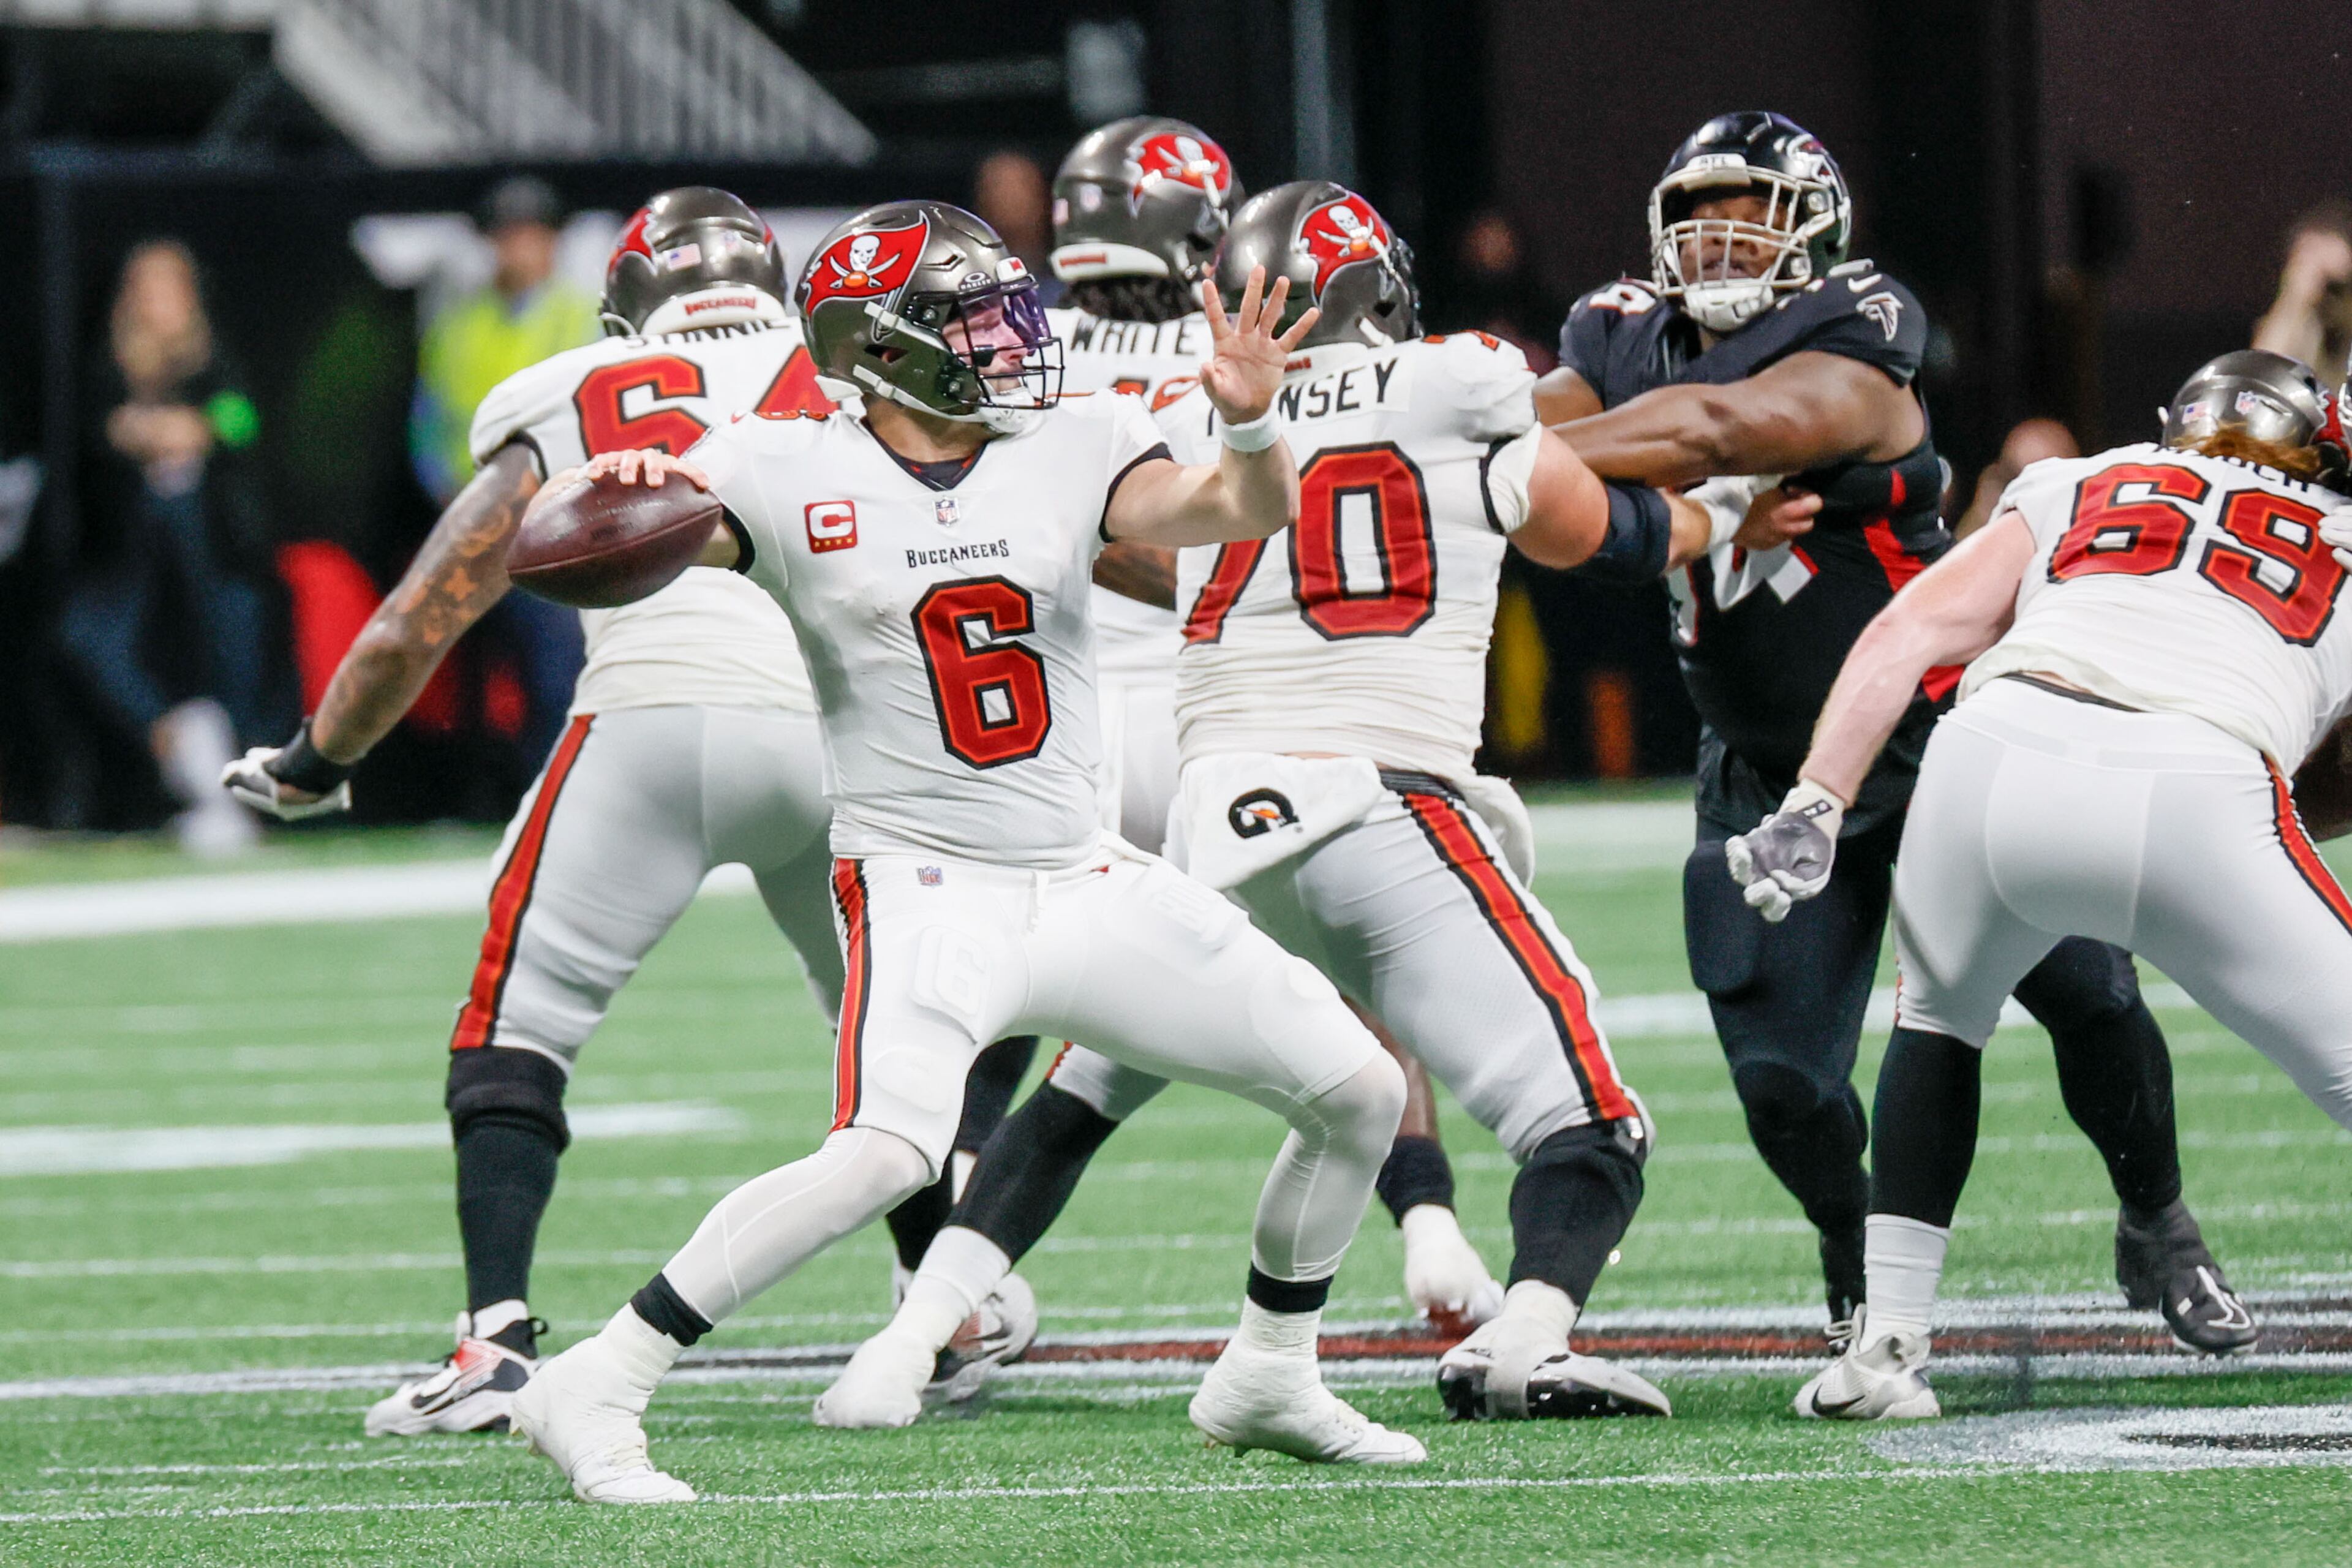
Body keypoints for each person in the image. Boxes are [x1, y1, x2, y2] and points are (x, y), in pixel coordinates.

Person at [824, 181, 1819, 1427]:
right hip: (1381, 802)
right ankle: (1525, 1332)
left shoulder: (1194, 413)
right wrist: (1722, 511)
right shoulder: (1459, 384)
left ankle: (913, 1338)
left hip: (1208, 817)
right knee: (1591, 1122)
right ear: (1383, 291)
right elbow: (1597, 535)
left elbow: (1132, 555)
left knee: (1084, 1093)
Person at [508, 202, 1424, 1503]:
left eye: (1008, 309)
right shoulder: (781, 465)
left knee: (1358, 1090)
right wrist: (601, 503)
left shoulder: (1073, 435)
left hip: (1083, 870)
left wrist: (1252, 414)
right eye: (972, 317)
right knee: (889, 1152)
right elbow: (637, 534)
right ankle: (598, 1377)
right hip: (923, 881)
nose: (1011, 336)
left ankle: (1272, 1365)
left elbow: (1237, 509)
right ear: (878, 348)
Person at [222, 188, 1022, 1436]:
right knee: (880, 1036)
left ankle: (494, 1341)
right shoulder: (850, 366)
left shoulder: (575, 383)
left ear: (628, 302)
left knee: (516, 1025)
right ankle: (943, 1307)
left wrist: (319, 760)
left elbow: (425, 612)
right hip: (827, 729)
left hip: (644, 717)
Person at [1532, 111, 2251, 1354]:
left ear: (1814, 225)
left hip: (1943, 745)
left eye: (1752, 208)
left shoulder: (1857, 333)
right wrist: (1486, 433)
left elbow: (1717, 431)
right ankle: (1858, 1249)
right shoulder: (1613, 332)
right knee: (1784, 1086)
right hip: (1761, 765)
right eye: (1702, 207)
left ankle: (2161, 1221)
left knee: (2089, 992)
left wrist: (1494, 455)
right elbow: (1545, 459)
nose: (1720, 233)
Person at [1728, 350, 2352, 1417]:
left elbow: (1910, 627)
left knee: (1935, 1026)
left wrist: (1818, 800)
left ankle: (1885, 1351)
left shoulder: (2087, 477)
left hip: (1989, 759)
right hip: (2198, 784)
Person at [1039, 120, 1509, 1333]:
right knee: (1357, 968)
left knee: (1015, 1006)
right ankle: (1431, 1226)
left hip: (1064, 729)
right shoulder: (1263, 339)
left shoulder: (1023, 353)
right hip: (1223, 712)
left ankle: (942, 1281)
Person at [58, 239, 274, 855]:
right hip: (132, 552)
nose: (157, 301)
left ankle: (237, 788)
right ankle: (179, 746)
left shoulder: (212, 363)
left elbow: (245, 420)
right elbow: (90, 435)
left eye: (169, 286)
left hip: (213, 549)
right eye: (146, 287)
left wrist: (199, 427)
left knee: (234, 633)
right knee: (90, 640)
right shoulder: (107, 366)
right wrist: (127, 433)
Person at [411, 176, 603, 773]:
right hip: (472, 517)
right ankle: (479, 793)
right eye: (505, 236)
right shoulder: (460, 323)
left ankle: (557, 786)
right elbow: (429, 419)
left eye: (530, 236)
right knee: (468, 666)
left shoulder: (583, 317)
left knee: (554, 666)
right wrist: (448, 491)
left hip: (554, 519)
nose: (516, 249)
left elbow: (597, 418)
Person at [2252, 201, 2352, 386]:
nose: (2329, 299)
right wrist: (2296, 298)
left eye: (2336, 288)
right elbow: (2259, 385)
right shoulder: (2300, 321)